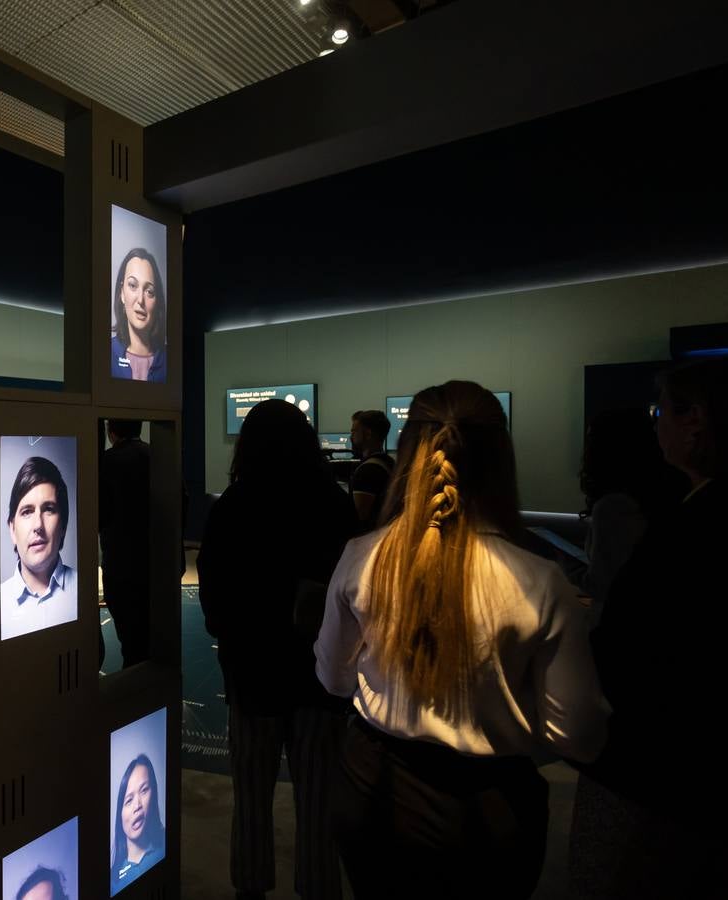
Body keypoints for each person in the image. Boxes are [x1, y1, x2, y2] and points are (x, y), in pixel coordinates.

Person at [315, 380, 609, 900]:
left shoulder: (362, 557)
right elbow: (576, 734)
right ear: (500, 459)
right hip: (488, 807)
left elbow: (334, 680)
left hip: (373, 787)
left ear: (409, 455)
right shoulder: (541, 584)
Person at [572, 357, 726, 898]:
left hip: (657, 757)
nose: (657, 424)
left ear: (695, 420)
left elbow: (636, 631)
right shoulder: (679, 503)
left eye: (662, 412)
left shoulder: (686, 520)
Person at [197, 398, 358, 900]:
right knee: (318, 804)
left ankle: (250, 889)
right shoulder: (333, 504)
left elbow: (213, 597)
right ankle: (318, 887)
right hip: (319, 680)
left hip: (253, 676)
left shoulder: (233, 506)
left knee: (250, 797)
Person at [569, 407, 686, 620]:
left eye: (591, 441)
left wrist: (560, 565)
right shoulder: (662, 496)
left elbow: (602, 585)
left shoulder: (614, 507)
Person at [1, 456, 79, 639]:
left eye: (49, 509)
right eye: (27, 512)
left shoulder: (82, 589)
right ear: (12, 529)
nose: (38, 525)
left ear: (63, 526)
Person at [99, 419, 152, 667]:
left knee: (130, 640)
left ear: (111, 431)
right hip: (155, 561)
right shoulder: (158, 455)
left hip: (119, 564)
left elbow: (99, 512)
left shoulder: (106, 461)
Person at [110, 754, 165, 895]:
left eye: (144, 790)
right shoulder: (113, 881)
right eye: (128, 801)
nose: (137, 806)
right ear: (120, 815)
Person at [110, 248, 167, 383]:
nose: (140, 300)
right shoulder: (105, 352)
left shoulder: (170, 360)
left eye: (149, 291)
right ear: (122, 293)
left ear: (157, 301)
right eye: (133, 285)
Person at [348, 409, 394, 531]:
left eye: (354, 431)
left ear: (368, 434)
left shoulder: (367, 471)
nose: (351, 436)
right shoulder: (389, 463)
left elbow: (358, 519)